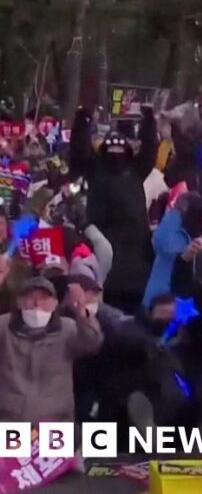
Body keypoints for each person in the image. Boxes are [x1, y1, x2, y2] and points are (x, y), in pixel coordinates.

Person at [69, 106, 157, 312]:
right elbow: (79, 150)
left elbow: (149, 150)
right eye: (111, 150)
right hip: (103, 247)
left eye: (120, 150)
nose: (115, 155)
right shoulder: (95, 169)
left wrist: (149, 121)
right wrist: (82, 118)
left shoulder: (136, 170)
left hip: (136, 258)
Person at [0, 274, 102, 422]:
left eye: (44, 299)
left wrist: (82, 312)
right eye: (31, 298)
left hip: (55, 420)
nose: (37, 304)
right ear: (19, 302)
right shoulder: (4, 326)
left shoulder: (67, 329)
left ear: (55, 304)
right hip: (9, 419)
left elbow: (92, 342)